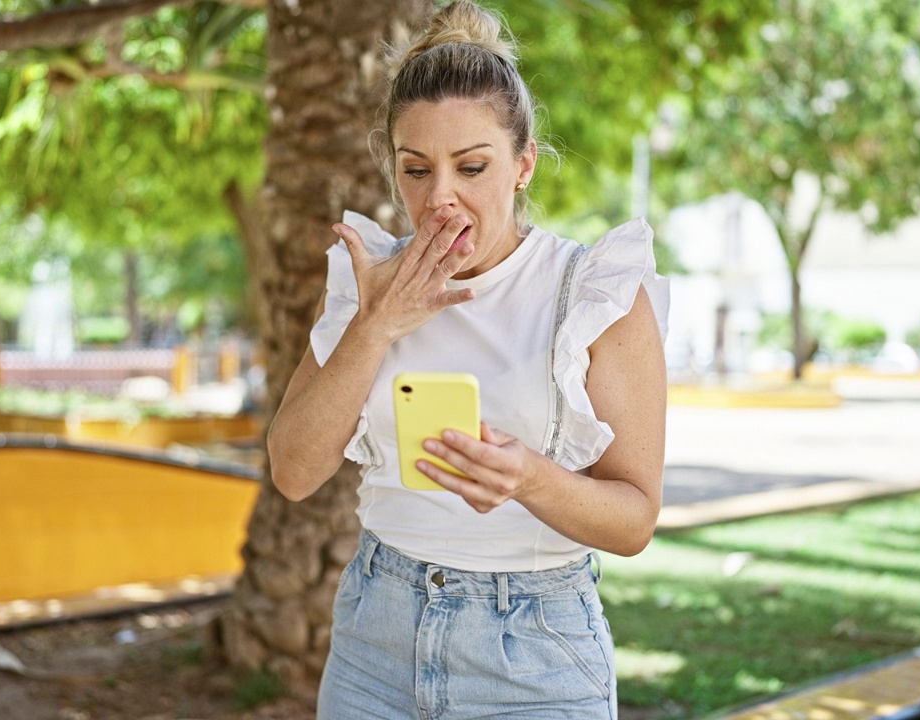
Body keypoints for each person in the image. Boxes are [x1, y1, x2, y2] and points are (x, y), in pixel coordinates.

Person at [266, 2, 669, 717]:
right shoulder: (367, 283)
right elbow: (294, 472)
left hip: (535, 652)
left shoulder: (595, 296)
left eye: (472, 166)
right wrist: (375, 326)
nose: (439, 197)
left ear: (523, 165)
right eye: (415, 169)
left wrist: (531, 479)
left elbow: (634, 521)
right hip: (375, 641)